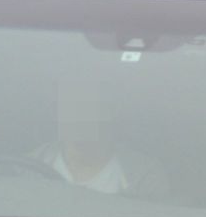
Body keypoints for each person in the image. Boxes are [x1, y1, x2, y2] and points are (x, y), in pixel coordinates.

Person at [32, 77, 168, 197]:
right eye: (69, 106)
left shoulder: (144, 174)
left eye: (87, 106)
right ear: (55, 113)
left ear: (110, 111)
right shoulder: (27, 169)